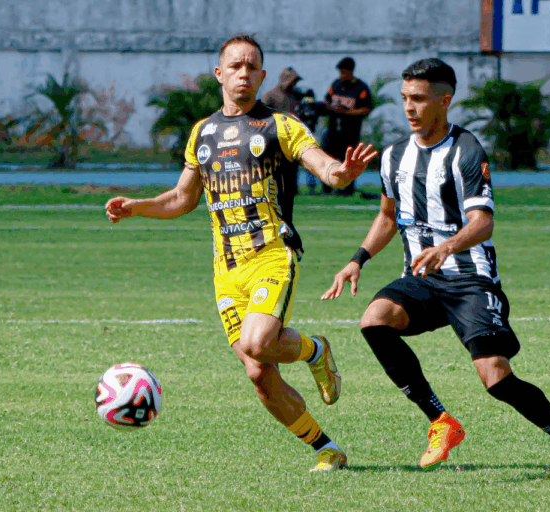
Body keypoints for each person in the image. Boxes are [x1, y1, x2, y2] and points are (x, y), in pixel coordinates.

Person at [321, 58, 550, 480]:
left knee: (496, 380)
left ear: (444, 100)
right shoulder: (394, 156)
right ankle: (441, 422)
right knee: (374, 321)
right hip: (422, 278)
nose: (409, 107)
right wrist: (356, 259)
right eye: (404, 98)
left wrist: (447, 246)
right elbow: (386, 217)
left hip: (470, 279)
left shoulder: (466, 151)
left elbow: (483, 221)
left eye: (418, 98)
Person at [105, 33, 376, 472]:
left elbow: (324, 166)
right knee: (258, 375)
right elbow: (182, 198)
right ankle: (328, 450)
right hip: (226, 270)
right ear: (219, 74)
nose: (243, 73)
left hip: (271, 254)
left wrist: (342, 173)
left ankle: (313, 350)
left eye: (252, 67)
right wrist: (137, 207)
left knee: (257, 342)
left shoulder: (280, 127)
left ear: (263, 76)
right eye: (235, 66)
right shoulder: (203, 133)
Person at [262, 67, 322, 195]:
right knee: (277, 166)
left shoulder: (296, 95)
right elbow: (261, 115)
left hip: (293, 137)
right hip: (276, 136)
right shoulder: (271, 95)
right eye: (293, 81)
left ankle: (292, 189)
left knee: (292, 166)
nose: (294, 84)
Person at [321, 56, 372, 196]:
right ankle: (327, 188)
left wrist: (347, 112)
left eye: (344, 72)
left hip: (350, 132)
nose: (341, 75)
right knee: (329, 158)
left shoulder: (360, 88)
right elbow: (326, 100)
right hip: (333, 131)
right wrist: (331, 107)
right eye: (340, 72)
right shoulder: (336, 84)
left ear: (351, 71)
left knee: (348, 161)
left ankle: (347, 190)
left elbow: (366, 109)